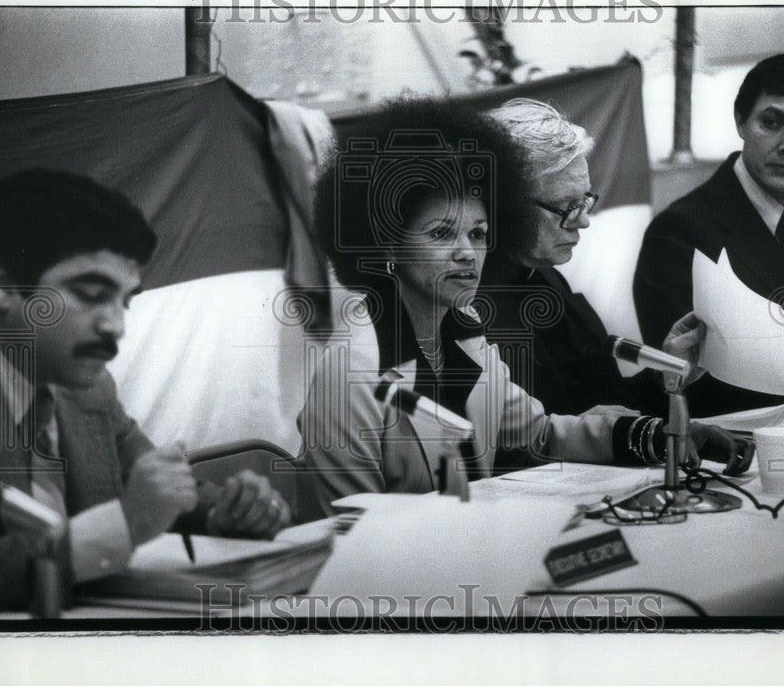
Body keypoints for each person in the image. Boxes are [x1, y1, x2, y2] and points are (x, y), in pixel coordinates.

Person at [297, 97, 749, 521]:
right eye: (440, 234)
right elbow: (348, 536)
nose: (467, 254)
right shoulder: (351, 373)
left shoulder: (466, 334)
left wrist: (657, 435)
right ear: (386, 245)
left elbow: (538, 435)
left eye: (478, 234)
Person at [0, 169, 291, 612]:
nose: (116, 328)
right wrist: (127, 523)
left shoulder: (91, 387)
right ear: (4, 286)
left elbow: (156, 483)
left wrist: (223, 512)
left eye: (125, 300)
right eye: (91, 293)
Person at [481, 98, 747, 474]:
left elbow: (605, 402)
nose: (584, 221)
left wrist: (662, 375)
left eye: (585, 200)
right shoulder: (461, 305)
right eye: (566, 206)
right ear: (502, 204)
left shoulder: (547, 277)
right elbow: (510, 445)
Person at [633, 53, 784, 415]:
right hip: (742, 459)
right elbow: (688, 383)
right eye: (772, 122)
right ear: (740, 121)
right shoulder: (678, 233)